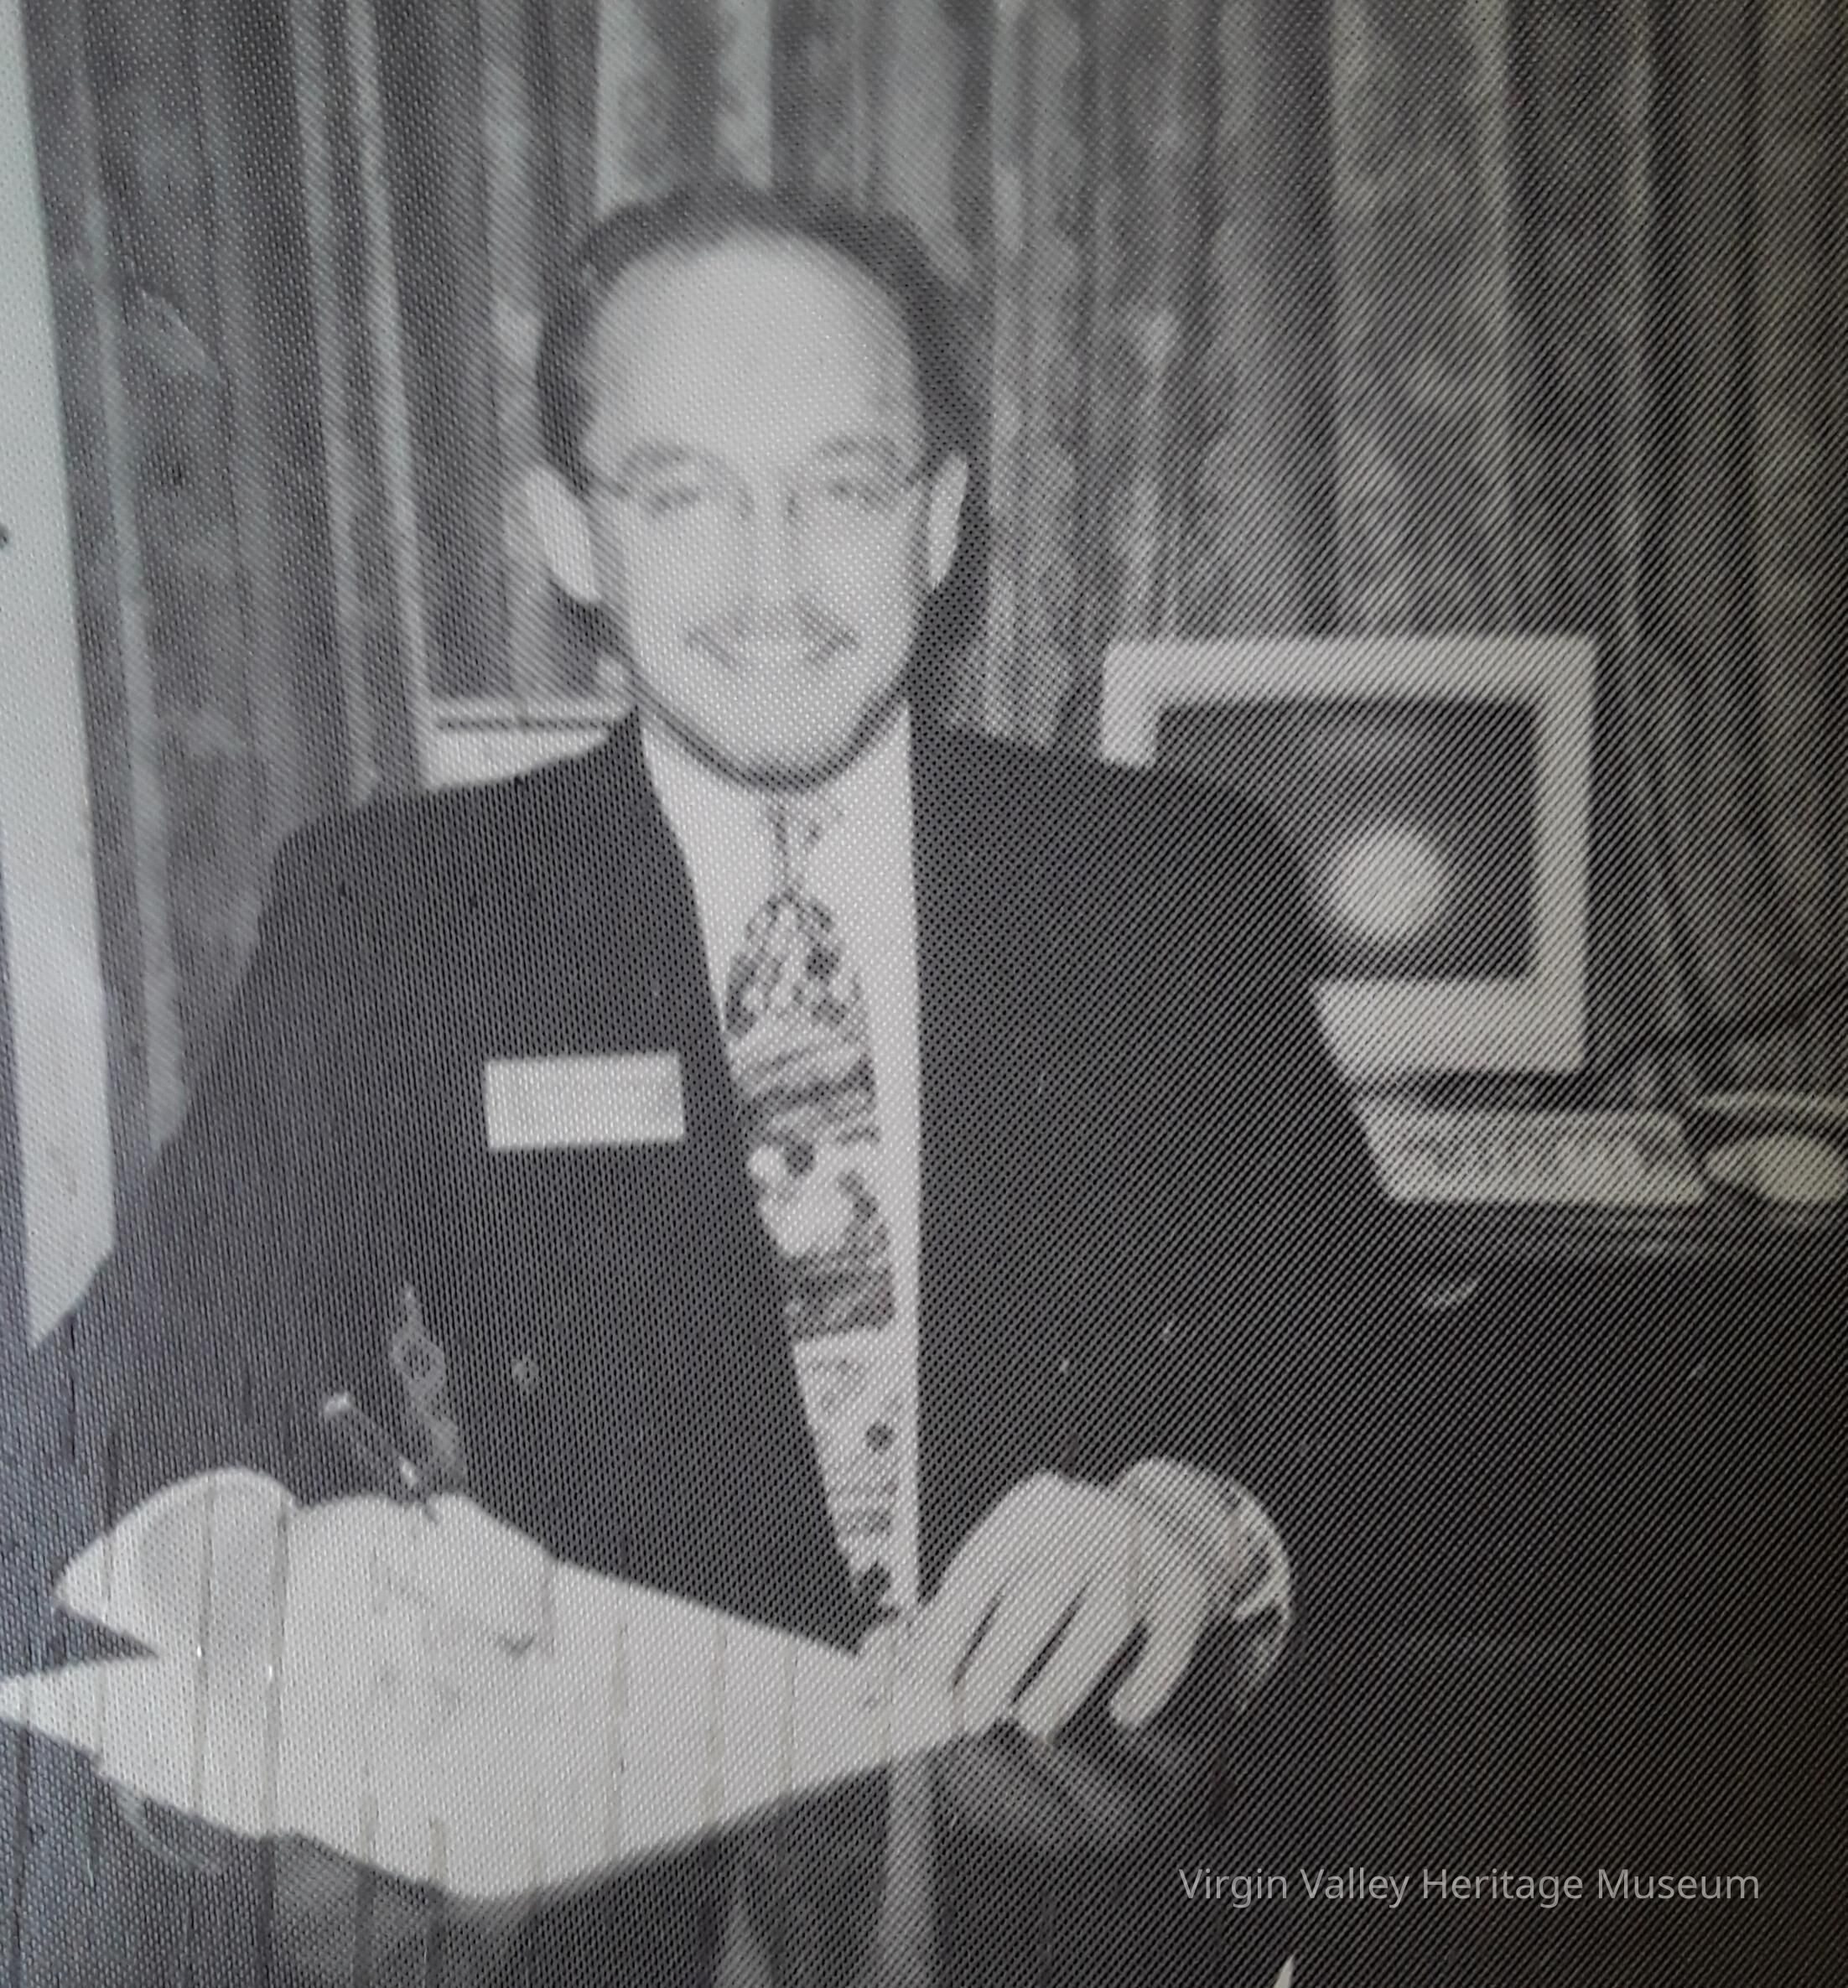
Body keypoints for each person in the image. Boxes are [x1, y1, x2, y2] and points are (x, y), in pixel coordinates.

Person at [10, 184, 1410, 1985]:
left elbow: (1359, 1369)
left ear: (941, 519)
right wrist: (273, 1579)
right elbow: (140, 1390)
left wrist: (1195, 1526)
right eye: (683, 494)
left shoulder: (1168, 883)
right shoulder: (399, 917)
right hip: (604, 1914)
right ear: (570, 535)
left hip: (1089, 1887)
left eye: (842, 487)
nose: (772, 582)